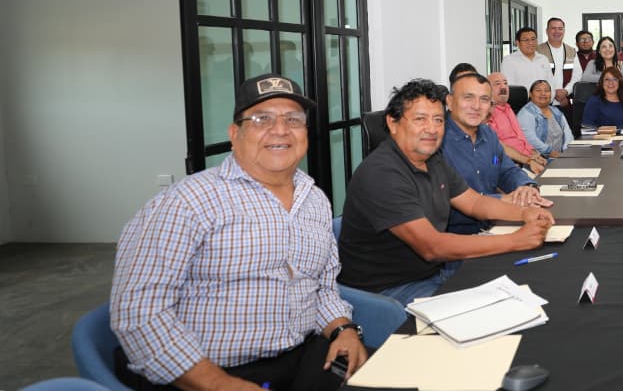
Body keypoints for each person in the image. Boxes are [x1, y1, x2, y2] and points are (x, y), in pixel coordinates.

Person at [112, 74, 368, 390]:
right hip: (207, 372)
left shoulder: (314, 199)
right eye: (262, 119)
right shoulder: (186, 202)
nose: (280, 130)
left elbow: (322, 287)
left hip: (301, 356)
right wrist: (220, 384)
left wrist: (343, 329)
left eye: (293, 119)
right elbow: (139, 313)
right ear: (235, 134)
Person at [339, 79, 554, 304]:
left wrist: (524, 213)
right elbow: (432, 246)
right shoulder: (382, 173)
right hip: (389, 291)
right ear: (393, 123)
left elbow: (474, 203)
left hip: (433, 272)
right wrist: (515, 240)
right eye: (420, 119)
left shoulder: (433, 160)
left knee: (529, 286)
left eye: (438, 120)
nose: (432, 129)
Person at [442, 73, 552, 235]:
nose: (477, 106)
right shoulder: (436, 141)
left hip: (498, 224)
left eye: (484, 99)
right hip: (458, 236)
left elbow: (506, 170)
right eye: (468, 98)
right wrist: (504, 199)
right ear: (450, 102)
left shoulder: (488, 134)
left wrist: (526, 187)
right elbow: (451, 199)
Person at [485, 72, 545, 174]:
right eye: (497, 84)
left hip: (529, 159)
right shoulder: (486, 114)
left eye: (505, 83)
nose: (503, 87)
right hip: (514, 164)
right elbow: (496, 150)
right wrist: (527, 160)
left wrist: (534, 153)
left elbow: (521, 138)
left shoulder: (509, 108)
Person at [517, 79, 575, 157]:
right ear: (530, 94)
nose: (543, 93)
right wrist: (550, 152)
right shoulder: (526, 114)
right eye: (538, 90)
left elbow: (568, 134)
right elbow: (530, 139)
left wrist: (566, 152)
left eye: (547, 91)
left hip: (561, 157)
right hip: (539, 159)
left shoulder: (556, 111)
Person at [501, 26, 554, 92]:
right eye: (526, 40)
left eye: (533, 39)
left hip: (544, 98)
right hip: (521, 98)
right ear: (517, 43)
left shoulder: (543, 59)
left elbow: (551, 83)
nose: (530, 43)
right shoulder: (509, 61)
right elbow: (509, 87)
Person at [535, 17, 573, 106]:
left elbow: (577, 76)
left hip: (565, 102)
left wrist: (566, 92)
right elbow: (535, 76)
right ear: (547, 31)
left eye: (560, 28)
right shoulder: (537, 51)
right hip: (543, 101)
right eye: (553, 28)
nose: (557, 31)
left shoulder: (572, 51)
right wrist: (553, 93)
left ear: (564, 31)